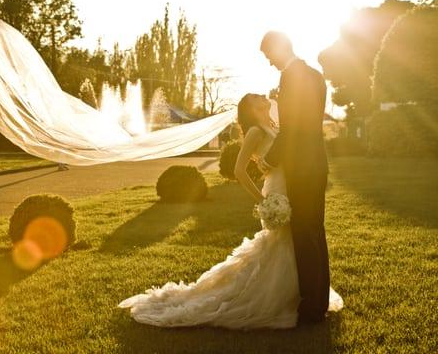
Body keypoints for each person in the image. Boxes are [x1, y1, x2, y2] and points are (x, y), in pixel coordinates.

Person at [118, 93, 342, 329]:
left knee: (292, 241)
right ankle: (281, 299)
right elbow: (239, 170)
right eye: (257, 97)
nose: (263, 96)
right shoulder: (256, 131)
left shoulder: (273, 126)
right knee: (281, 241)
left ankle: (298, 295)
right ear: (252, 108)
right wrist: (263, 200)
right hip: (277, 190)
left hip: (289, 186)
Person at [259, 31, 332, 324]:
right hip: (317, 163)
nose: (269, 63)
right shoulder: (315, 74)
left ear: (279, 49)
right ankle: (319, 300)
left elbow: (293, 128)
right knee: (315, 231)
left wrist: (269, 159)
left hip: (302, 166)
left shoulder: (291, 78)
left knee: (304, 234)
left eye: (268, 56)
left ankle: (311, 308)